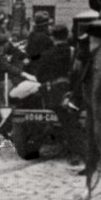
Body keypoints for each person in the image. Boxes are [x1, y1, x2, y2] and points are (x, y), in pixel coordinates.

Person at [36, 24, 85, 166]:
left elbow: (40, 76)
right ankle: (75, 153)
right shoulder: (73, 52)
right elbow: (79, 72)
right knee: (71, 122)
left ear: (52, 37)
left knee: (63, 120)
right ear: (68, 35)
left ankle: (43, 142)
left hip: (53, 93)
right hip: (72, 92)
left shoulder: (46, 54)